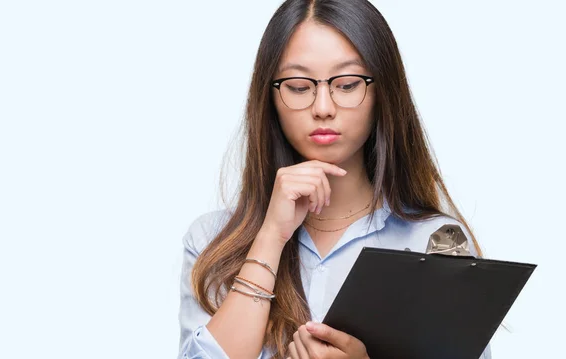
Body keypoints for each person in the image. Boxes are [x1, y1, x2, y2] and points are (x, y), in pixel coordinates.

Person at [178, 0, 492, 358]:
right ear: (270, 98)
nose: (323, 107)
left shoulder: (435, 243)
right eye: (298, 86)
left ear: (382, 93)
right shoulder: (212, 242)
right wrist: (270, 236)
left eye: (346, 84)